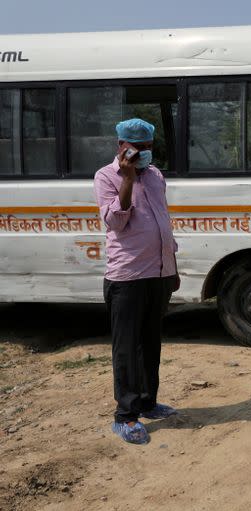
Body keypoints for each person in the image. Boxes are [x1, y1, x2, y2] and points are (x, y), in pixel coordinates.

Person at [93, 118, 180, 445]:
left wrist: (172, 265)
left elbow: (162, 221)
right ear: (120, 146)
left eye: (148, 147)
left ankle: (148, 402)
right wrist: (127, 179)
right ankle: (125, 416)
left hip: (158, 273)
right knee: (127, 348)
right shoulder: (106, 177)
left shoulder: (156, 175)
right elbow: (116, 221)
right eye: (136, 147)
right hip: (127, 276)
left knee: (150, 343)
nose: (143, 153)